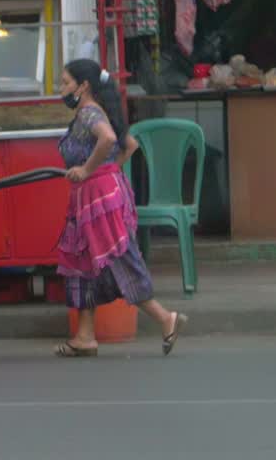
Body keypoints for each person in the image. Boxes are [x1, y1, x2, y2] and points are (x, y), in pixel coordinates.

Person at [54, 58, 188, 356]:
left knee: (117, 262)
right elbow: (130, 146)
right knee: (84, 265)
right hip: (98, 194)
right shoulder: (99, 111)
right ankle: (85, 336)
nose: (60, 89)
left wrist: (89, 171)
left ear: (83, 86)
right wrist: (106, 171)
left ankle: (166, 318)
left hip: (98, 199)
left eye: (65, 82)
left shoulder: (89, 113)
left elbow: (110, 139)